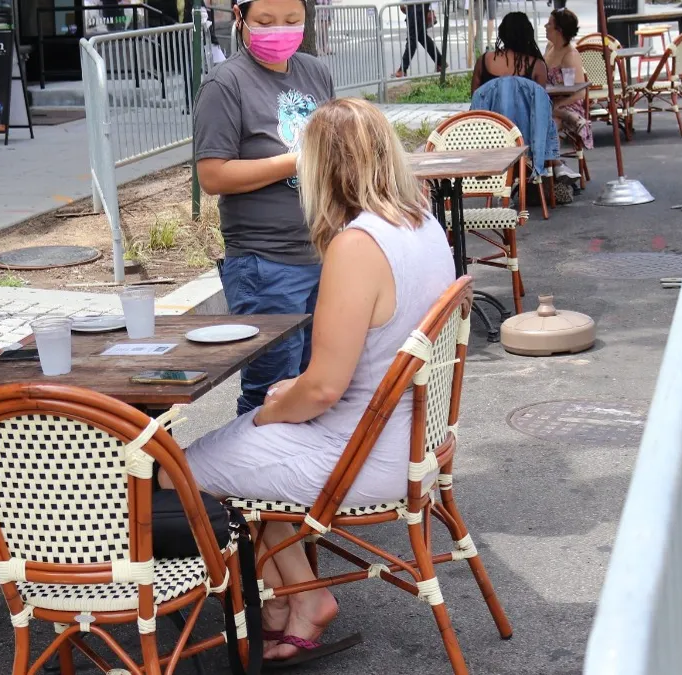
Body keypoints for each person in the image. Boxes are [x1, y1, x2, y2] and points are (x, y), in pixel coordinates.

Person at [182, 98, 456, 663]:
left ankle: (279, 599)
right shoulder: (422, 222)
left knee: (178, 470)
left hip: (361, 452)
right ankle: (288, 601)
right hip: (409, 442)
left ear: (321, 169)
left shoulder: (358, 245)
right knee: (244, 458)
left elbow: (323, 389)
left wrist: (269, 411)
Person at [194, 0, 334, 416]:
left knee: (318, 383)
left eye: (292, 21)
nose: (280, 30)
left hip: (324, 252)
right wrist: (294, 161)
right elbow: (213, 176)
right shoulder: (225, 84)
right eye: (265, 21)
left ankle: (303, 476)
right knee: (269, 392)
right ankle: (251, 479)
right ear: (240, 18)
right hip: (265, 263)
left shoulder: (315, 71)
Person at [544, 8, 592, 181]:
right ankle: (552, 168)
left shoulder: (570, 55)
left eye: (549, 24)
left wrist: (557, 105)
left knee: (550, 122)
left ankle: (555, 166)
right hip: (549, 102)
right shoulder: (549, 47)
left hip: (567, 104)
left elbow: (580, 93)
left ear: (559, 30)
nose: (545, 26)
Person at [470, 11, 548, 94]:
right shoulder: (537, 66)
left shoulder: (484, 60)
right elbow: (540, 101)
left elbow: (475, 97)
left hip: (487, 107)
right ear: (528, 34)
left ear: (502, 33)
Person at [393, 2, 446, 78]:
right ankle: (440, 62)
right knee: (422, 36)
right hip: (419, 5)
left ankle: (403, 69)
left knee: (413, 38)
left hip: (415, 6)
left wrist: (403, 2)